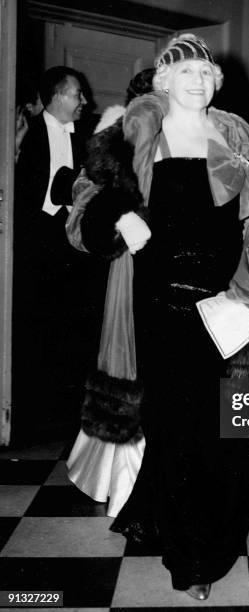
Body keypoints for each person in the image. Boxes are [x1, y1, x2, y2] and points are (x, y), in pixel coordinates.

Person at [65, 34, 249, 600]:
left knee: (230, 430)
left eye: (207, 71)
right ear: (162, 78)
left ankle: (214, 536)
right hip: (162, 301)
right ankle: (191, 560)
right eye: (184, 70)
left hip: (227, 300)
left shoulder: (236, 132)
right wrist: (120, 217)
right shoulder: (136, 128)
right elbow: (83, 199)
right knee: (179, 430)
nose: (197, 80)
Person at [66, 67, 156, 519]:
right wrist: (118, 218)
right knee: (131, 370)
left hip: (187, 274)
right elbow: (82, 209)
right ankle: (127, 487)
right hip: (132, 270)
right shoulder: (111, 144)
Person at [13, 66, 97, 439]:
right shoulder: (24, 133)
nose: (84, 101)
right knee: (37, 324)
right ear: (58, 97)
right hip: (36, 240)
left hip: (73, 239)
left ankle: (70, 409)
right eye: (77, 94)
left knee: (74, 324)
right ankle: (36, 409)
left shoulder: (90, 135)